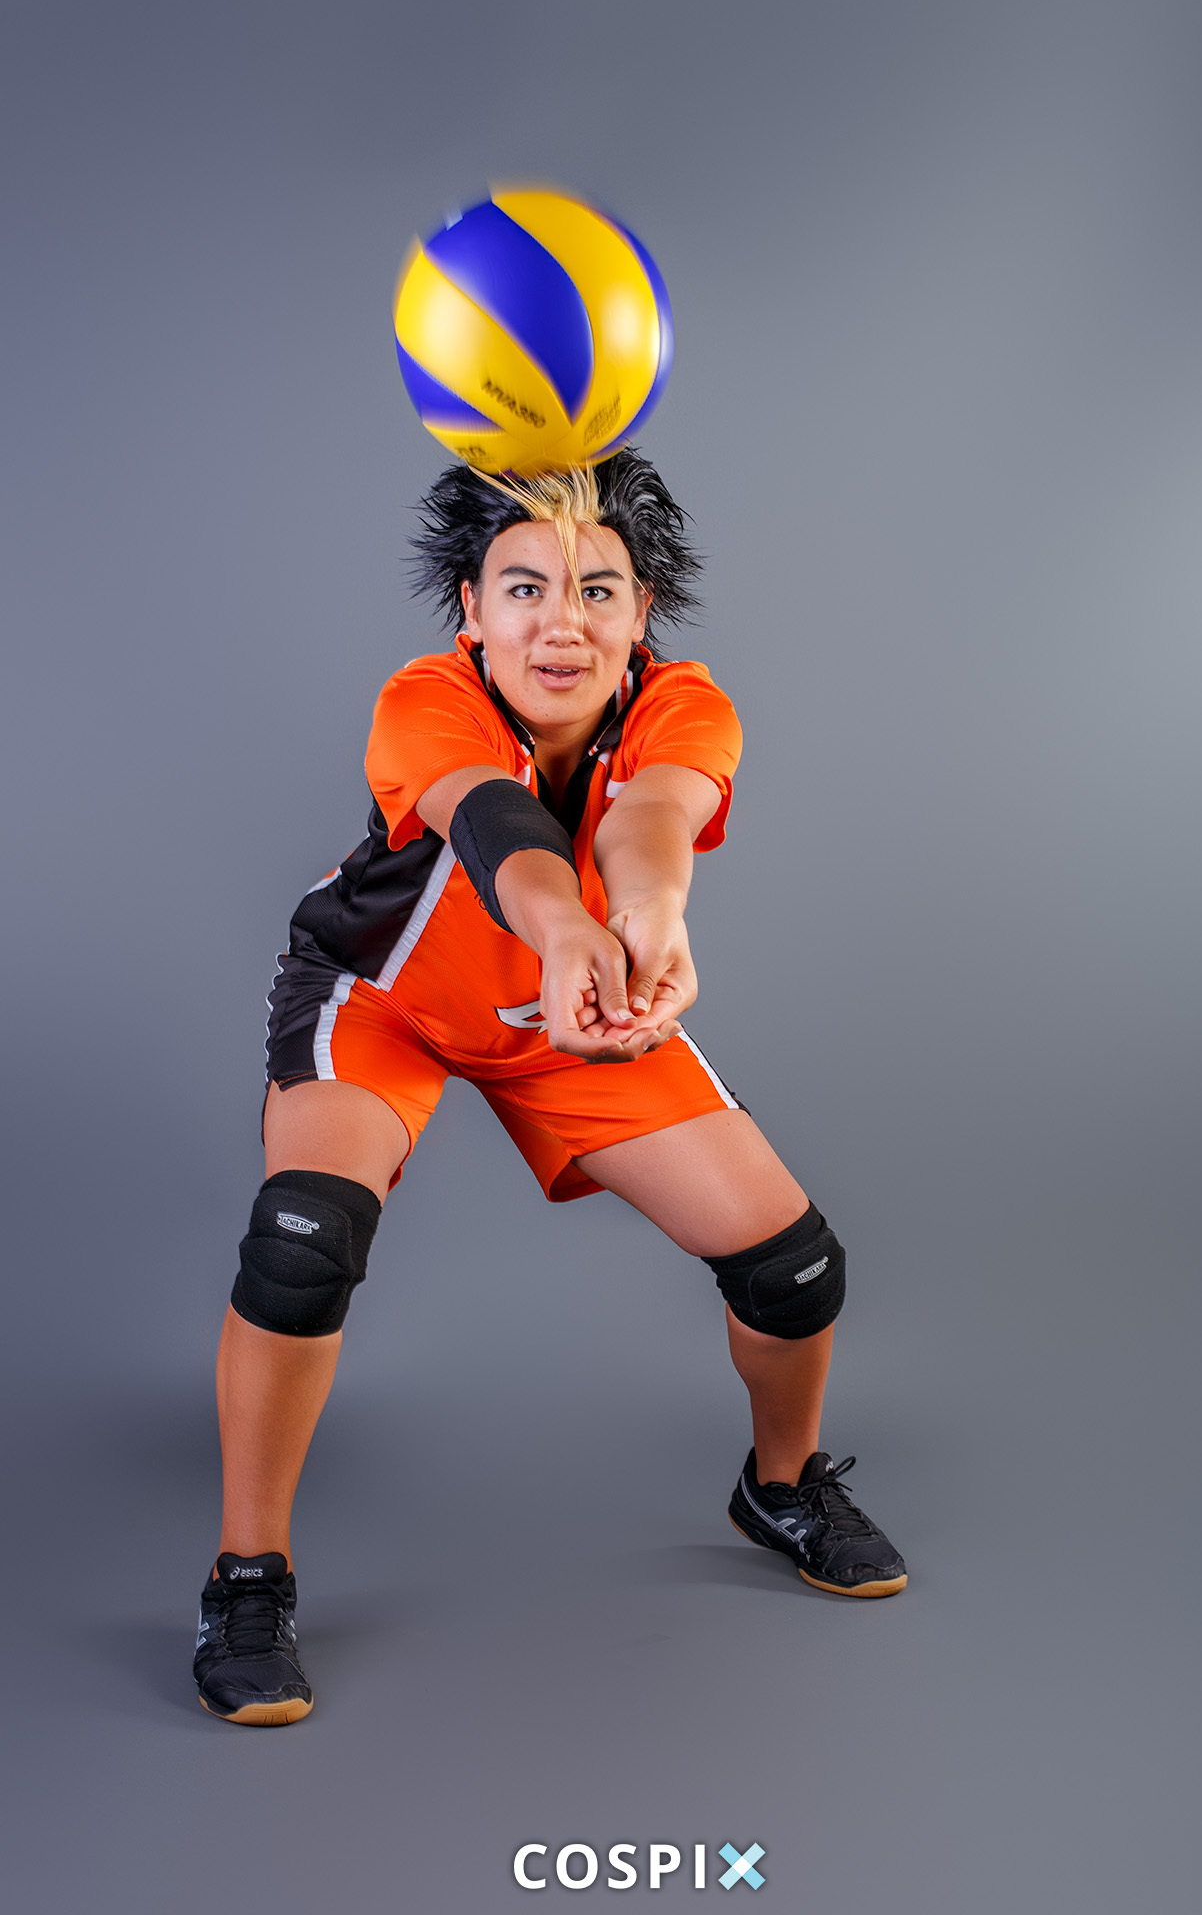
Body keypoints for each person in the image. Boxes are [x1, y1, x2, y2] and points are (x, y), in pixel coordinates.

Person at [194, 449, 907, 1727]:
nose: (560, 622)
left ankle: (780, 1486)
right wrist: (568, 927)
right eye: (523, 587)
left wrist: (648, 917)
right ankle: (248, 1575)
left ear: (641, 613)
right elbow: (495, 829)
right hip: (382, 1001)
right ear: (471, 609)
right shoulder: (425, 698)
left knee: (793, 1269)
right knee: (302, 1243)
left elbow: (650, 820)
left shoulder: (684, 703)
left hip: (560, 1015)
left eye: (596, 590)